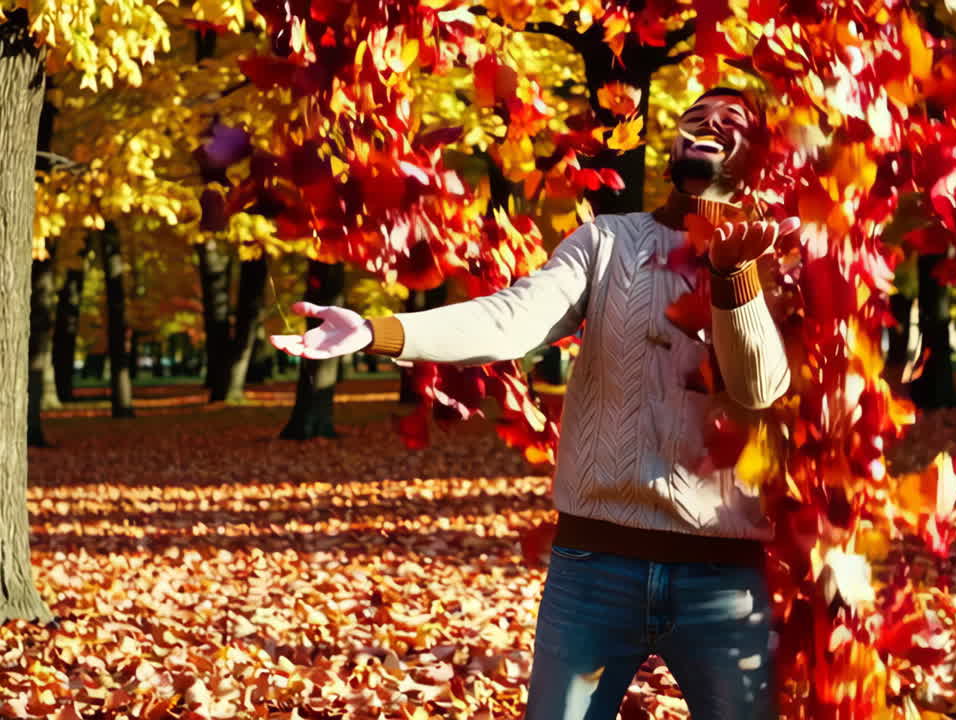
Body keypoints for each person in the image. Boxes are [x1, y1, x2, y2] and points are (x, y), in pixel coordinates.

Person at [271, 87, 798, 720]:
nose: (707, 127)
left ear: (754, 158)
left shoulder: (779, 257)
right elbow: (512, 319)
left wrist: (734, 277)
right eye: (695, 118)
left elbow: (758, 386)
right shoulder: (605, 242)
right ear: (672, 143)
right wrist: (381, 332)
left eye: (729, 123)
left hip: (723, 577)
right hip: (595, 568)